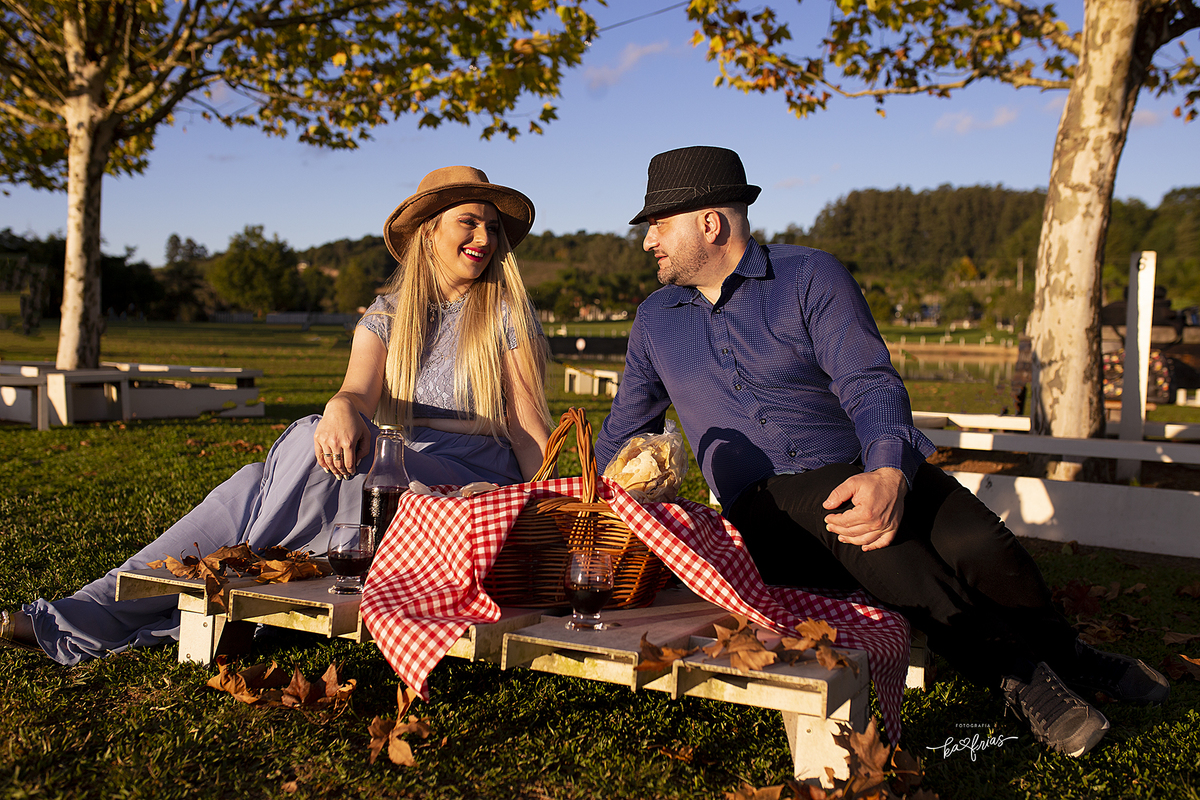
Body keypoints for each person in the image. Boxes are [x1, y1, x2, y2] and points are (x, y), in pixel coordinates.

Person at [594, 145, 1169, 757]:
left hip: (861, 465)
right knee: (871, 537)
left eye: (659, 224)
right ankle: (1023, 680)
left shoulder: (809, 276)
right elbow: (626, 428)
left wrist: (890, 470)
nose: (649, 240)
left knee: (979, 543)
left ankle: (1067, 655)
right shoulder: (655, 320)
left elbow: (869, 380)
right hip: (763, 505)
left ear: (709, 224)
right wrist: (581, 490)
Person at [1, 166, 553, 664]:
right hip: (387, 464)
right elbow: (356, 394)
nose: (484, 238)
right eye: (469, 222)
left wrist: (557, 507)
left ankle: (240, 571)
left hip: (461, 479)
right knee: (252, 484)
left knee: (305, 469)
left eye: (492, 228)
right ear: (429, 230)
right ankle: (83, 610)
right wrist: (341, 406)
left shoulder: (503, 315)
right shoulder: (388, 314)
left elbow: (530, 431)